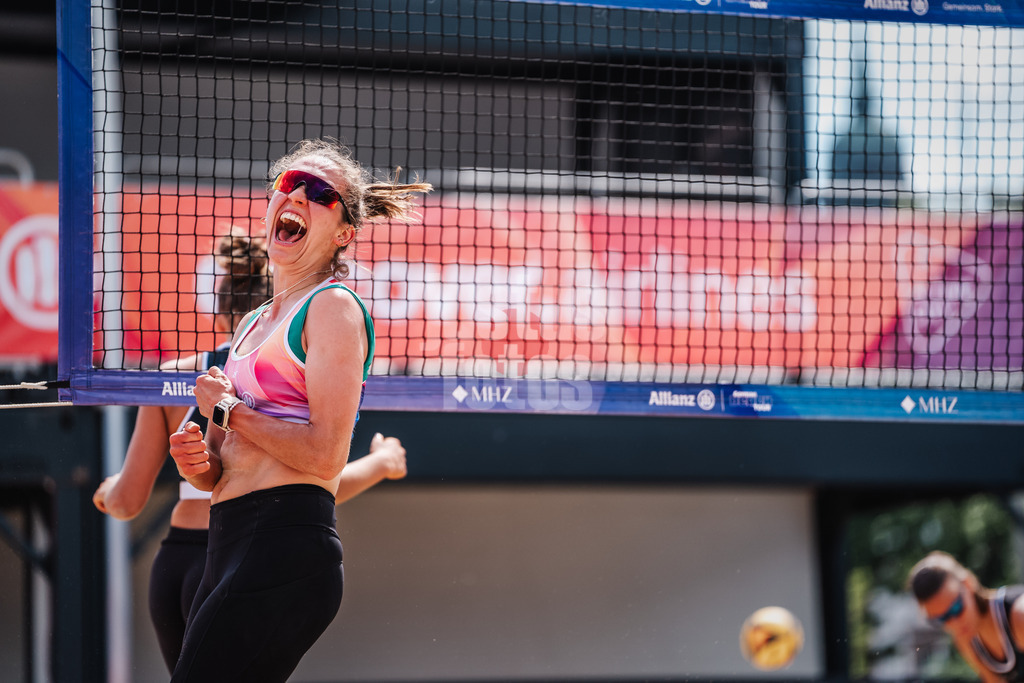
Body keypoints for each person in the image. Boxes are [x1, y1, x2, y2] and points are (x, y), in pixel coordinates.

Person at [168, 138, 431, 682]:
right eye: (287, 184)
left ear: (343, 234)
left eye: (318, 191)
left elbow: (323, 456)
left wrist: (229, 412)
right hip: (230, 536)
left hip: (285, 539)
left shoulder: (332, 307)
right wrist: (197, 462)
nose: (296, 195)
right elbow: (223, 465)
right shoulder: (252, 323)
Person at [92, 230, 409, 674]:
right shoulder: (260, 370)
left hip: (188, 559)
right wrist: (380, 464)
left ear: (221, 315)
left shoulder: (174, 377)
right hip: (232, 548)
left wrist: (106, 491)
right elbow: (312, 478)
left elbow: (127, 500)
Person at [907, 550, 1024, 682]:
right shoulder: (966, 639)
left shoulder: (1019, 615)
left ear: (968, 584)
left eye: (956, 608)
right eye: (941, 619)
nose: (954, 624)